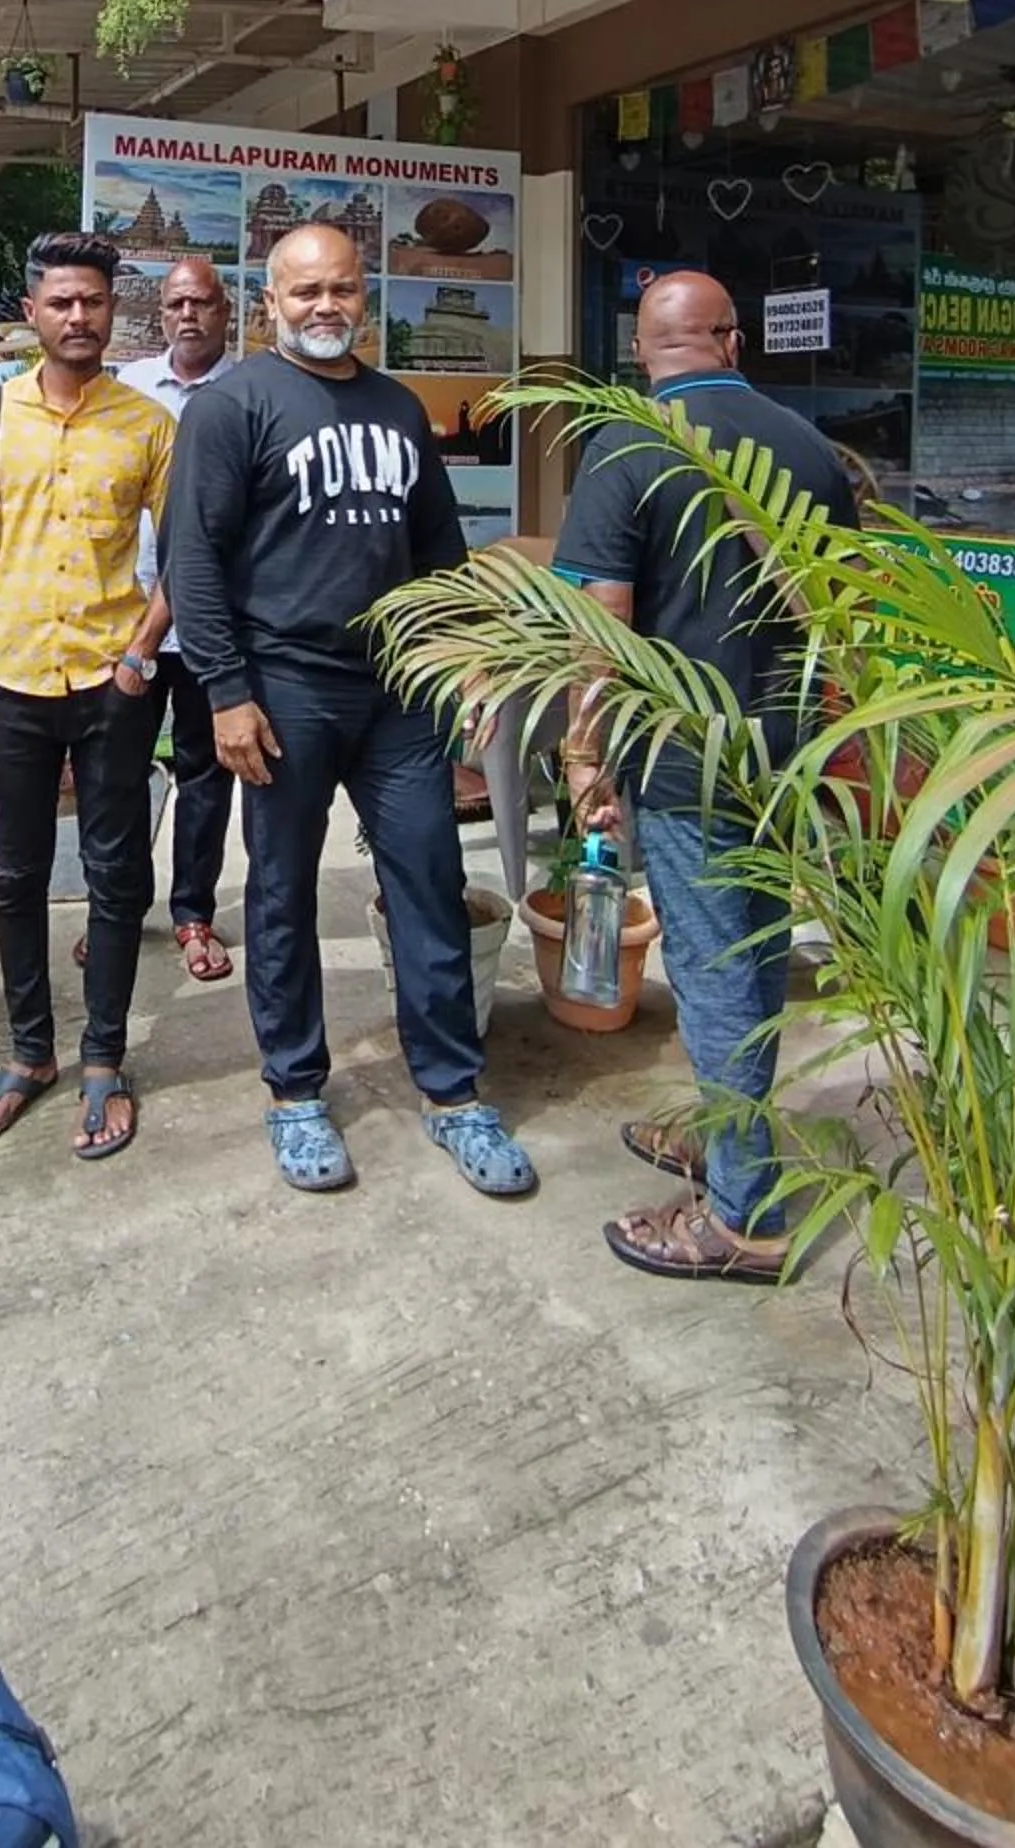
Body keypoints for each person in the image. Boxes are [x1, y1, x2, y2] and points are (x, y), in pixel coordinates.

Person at [161, 225, 536, 1200]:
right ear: (271, 302)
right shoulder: (233, 406)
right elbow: (192, 562)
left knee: (431, 878)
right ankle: (295, 1093)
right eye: (306, 292)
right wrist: (226, 692)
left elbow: (441, 553)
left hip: (398, 691)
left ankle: (454, 1094)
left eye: (342, 290)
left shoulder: (402, 408)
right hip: (284, 688)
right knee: (281, 893)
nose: (326, 306)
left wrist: (467, 664)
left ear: (365, 296)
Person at [552, 268, 857, 1283]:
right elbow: (840, 611)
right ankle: (728, 1139)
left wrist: (583, 748)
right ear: (733, 342)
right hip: (786, 753)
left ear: (644, 351)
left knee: (716, 974)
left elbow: (605, 620)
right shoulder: (809, 448)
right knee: (755, 961)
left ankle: (744, 1217)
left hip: (685, 755)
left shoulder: (627, 441)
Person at [0, 231, 173, 1162]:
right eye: (61, 302)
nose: (78, 317)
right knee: (20, 875)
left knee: (115, 878)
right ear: (31, 313)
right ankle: (31, 1055)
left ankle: (103, 1058)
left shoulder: (147, 425)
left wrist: (142, 650)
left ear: (115, 313)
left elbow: (187, 548)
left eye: (93, 302)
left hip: (114, 682)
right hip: (16, 681)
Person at [113, 254, 239, 983]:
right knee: (119, 776)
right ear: (160, 315)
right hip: (128, 624)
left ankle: (193, 912)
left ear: (226, 311)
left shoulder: (256, 393)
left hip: (213, 629)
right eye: (175, 305)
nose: (188, 315)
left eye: (202, 303)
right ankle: (120, 912)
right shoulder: (128, 392)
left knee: (203, 775)